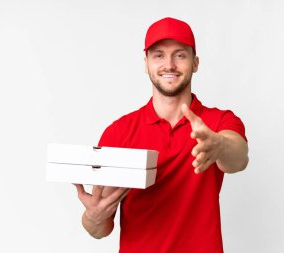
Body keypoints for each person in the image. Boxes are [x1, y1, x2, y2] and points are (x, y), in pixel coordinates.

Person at [74, 17, 249, 253]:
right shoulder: (119, 133)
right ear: (146, 63)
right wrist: (93, 217)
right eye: (158, 55)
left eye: (180, 55)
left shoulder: (218, 122)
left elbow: (238, 158)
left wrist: (219, 146)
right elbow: (101, 229)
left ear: (195, 63)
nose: (169, 64)